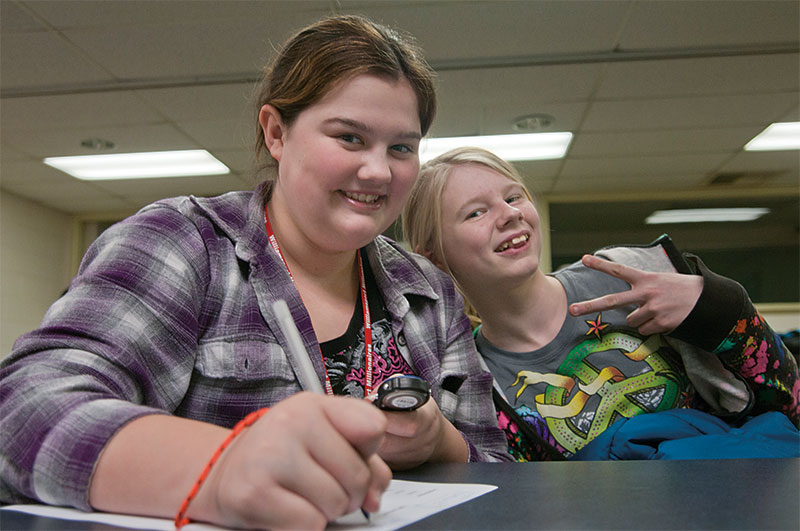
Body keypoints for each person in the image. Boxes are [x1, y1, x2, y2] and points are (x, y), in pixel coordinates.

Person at [0, 17, 509, 530]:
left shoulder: (430, 290)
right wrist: (221, 470)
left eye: (401, 148)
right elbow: (24, 410)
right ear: (276, 133)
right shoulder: (183, 243)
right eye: (350, 138)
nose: (379, 171)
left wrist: (439, 441)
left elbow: (500, 469)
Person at [402, 146, 800, 461]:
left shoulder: (626, 274)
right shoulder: (472, 381)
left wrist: (717, 308)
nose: (509, 215)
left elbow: (786, 404)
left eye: (513, 196)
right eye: (476, 212)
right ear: (435, 258)